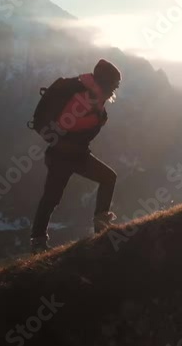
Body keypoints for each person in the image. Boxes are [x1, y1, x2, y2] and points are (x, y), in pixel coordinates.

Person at [30, 59, 121, 253]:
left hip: (73, 154)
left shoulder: (92, 94)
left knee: (52, 197)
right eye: (114, 85)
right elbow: (66, 126)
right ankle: (38, 241)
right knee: (52, 197)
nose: (115, 89)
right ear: (106, 83)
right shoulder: (85, 98)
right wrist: (95, 120)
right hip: (64, 156)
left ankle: (38, 241)